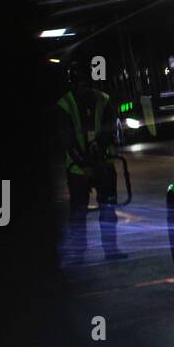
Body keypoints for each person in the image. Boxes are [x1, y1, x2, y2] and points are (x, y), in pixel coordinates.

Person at [57, 59, 126, 261]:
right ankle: (80, 253)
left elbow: (109, 131)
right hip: (80, 169)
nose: (85, 88)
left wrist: (97, 155)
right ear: (73, 84)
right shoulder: (65, 105)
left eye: (87, 83)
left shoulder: (103, 101)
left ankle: (110, 250)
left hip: (101, 164)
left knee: (108, 209)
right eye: (80, 84)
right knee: (78, 213)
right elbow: (67, 139)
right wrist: (84, 165)